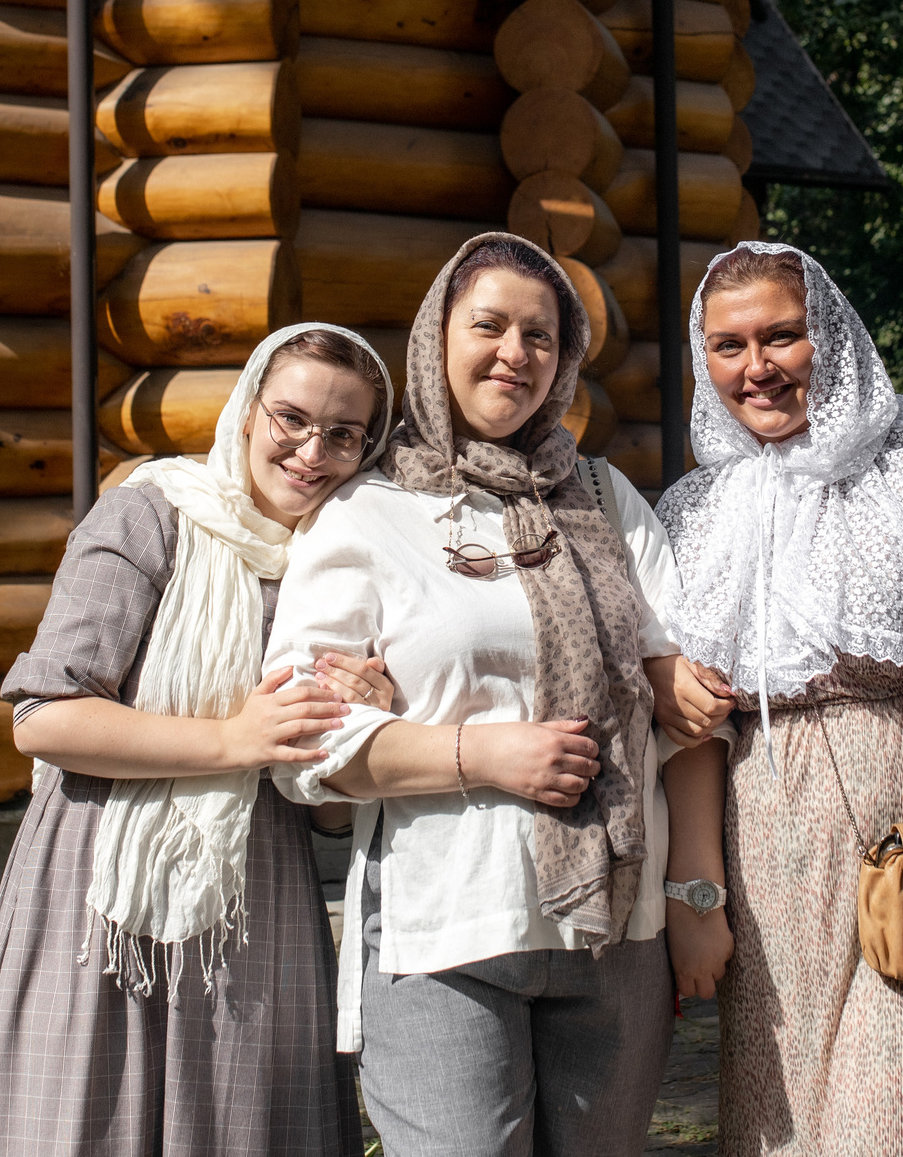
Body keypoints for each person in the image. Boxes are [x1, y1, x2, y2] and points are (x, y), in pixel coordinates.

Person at [263, 232, 725, 1157]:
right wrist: (480, 754)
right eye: (490, 325)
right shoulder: (369, 511)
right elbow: (302, 741)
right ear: (439, 336)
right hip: (448, 924)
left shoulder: (603, 498)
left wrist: (695, 895)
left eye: (541, 336)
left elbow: (690, 712)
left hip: (616, 928)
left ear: (565, 360)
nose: (515, 352)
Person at [652, 241, 903, 1157]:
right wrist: (696, 894)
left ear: (829, 336)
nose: (755, 367)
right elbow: (689, 729)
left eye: (781, 336)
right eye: (727, 346)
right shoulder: (692, 513)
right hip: (768, 864)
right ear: (701, 360)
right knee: (789, 1129)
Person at [0, 323, 398, 1157]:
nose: (313, 450)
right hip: (97, 884)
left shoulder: (347, 563)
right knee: (86, 1127)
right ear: (246, 413)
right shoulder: (152, 511)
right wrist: (235, 739)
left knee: (241, 1129)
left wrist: (358, 733)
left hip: (257, 884)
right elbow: (45, 717)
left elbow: (330, 817)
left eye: (345, 434)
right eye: (292, 419)